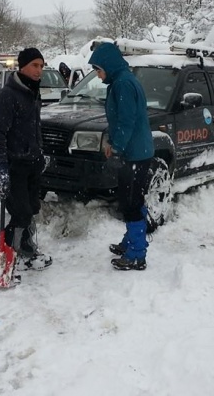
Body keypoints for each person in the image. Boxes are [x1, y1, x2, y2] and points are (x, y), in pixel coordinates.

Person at [88, 40, 155, 271]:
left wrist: (117, 149)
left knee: (131, 201)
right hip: (135, 150)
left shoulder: (123, 84)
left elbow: (127, 121)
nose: (97, 75)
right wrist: (112, 142)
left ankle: (137, 253)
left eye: (98, 69)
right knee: (132, 198)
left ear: (108, 64)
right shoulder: (121, 81)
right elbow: (119, 121)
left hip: (134, 154)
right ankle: (132, 241)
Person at [0, 47, 52, 271]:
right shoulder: (8, 95)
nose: (39, 70)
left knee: (32, 208)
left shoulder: (33, 93)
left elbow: (35, 128)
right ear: (22, 66)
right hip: (15, 165)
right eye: (35, 65)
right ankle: (8, 257)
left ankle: (26, 248)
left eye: (42, 66)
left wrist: (40, 152)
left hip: (32, 163)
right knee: (21, 212)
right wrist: (2, 169)